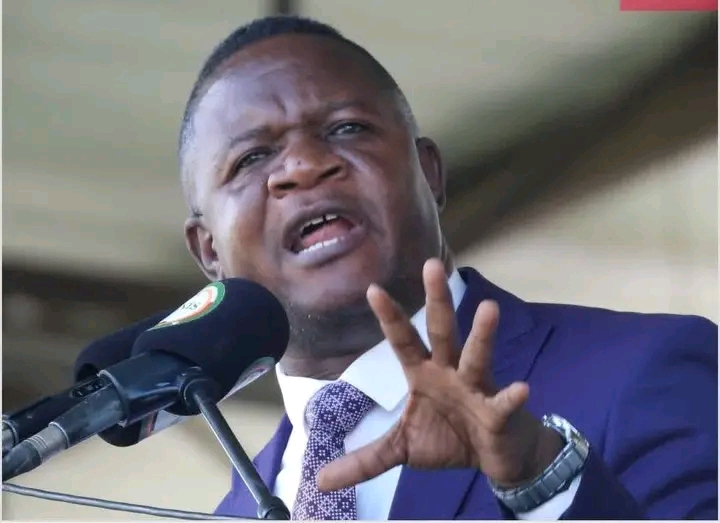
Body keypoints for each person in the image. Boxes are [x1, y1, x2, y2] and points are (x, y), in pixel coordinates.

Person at [177, 15, 717, 520]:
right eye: (252, 158)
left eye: (346, 128)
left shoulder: (647, 369)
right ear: (208, 252)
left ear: (429, 174)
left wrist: (541, 478)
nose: (304, 165)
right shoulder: (234, 511)